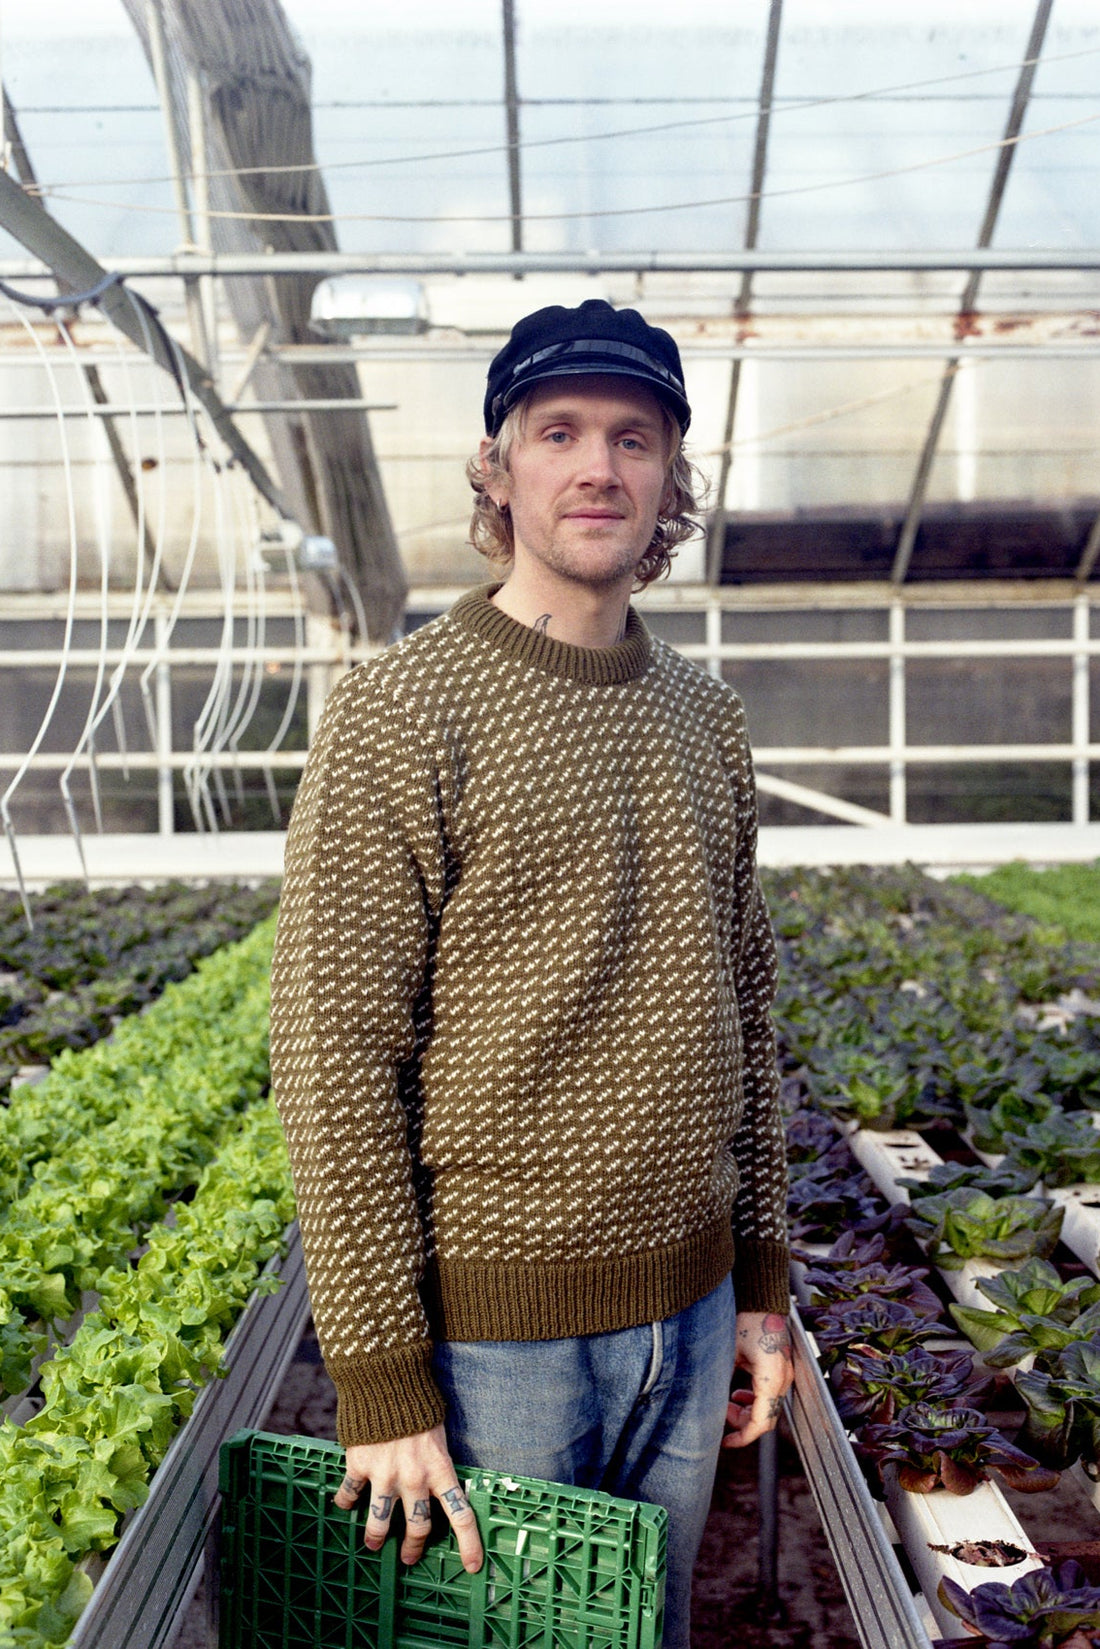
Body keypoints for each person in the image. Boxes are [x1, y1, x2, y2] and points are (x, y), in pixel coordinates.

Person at [269, 298, 792, 1649]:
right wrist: (383, 1380)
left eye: (635, 436)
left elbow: (749, 1012)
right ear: (497, 469)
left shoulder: (707, 719)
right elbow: (332, 1057)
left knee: (644, 1633)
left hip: (688, 1318)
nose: (598, 465)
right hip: (494, 1346)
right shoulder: (402, 711)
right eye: (557, 431)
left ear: (675, 475)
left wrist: (764, 1286)